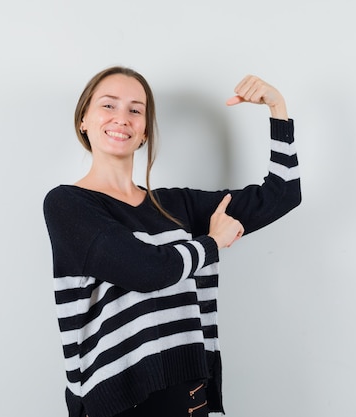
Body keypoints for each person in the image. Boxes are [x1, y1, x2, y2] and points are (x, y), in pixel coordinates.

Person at [43, 66, 301, 417]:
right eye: (108, 106)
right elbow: (147, 269)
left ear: (145, 130)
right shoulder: (67, 205)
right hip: (118, 402)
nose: (122, 118)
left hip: (190, 396)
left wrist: (278, 108)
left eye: (135, 110)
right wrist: (212, 242)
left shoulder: (175, 206)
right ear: (83, 120)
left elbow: (282, 194)